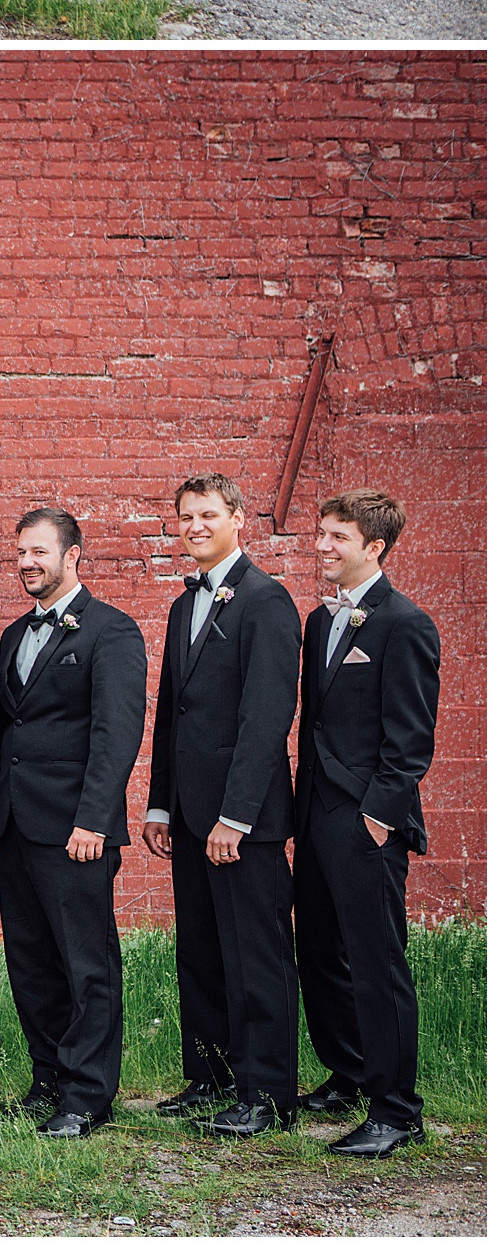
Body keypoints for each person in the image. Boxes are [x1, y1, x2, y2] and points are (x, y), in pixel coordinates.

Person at [143, 471, 302, 1135]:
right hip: (188, 816)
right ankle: (209, 1076)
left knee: (255, 956)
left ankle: (267, 1095)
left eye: (208, 513)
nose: (195, 526)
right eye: (186, 516)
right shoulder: (185, 606)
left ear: (238, 517)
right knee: (203, 953)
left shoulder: (267, 600)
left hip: (244, 821)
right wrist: (159, 804)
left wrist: (234, 815)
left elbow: (267, 716)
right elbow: (172, 715)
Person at [0, 507, 147, 1138]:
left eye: (39, 552)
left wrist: (95, 821)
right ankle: (48, 1076)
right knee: (31, 961)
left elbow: (117, 733)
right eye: (21, 552)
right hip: (19, 827)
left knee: (87, 964)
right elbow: (6, 731)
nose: (27, 562)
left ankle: (86, 1095)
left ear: (73, 556)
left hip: (77, 831)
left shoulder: (112, 631)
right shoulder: (11, 635)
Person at [293, 488, 440, 1158]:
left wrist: (376, 820)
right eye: (321, 533)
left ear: (373, 546)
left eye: (337, 537)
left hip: (365, 823)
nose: (322, 545)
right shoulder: (321, 623)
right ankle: (349, 1073)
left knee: (376, 964)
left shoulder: (404, 622)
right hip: (317, 816)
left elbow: (410, 741)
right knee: (322, 952)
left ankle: (396, 1109)